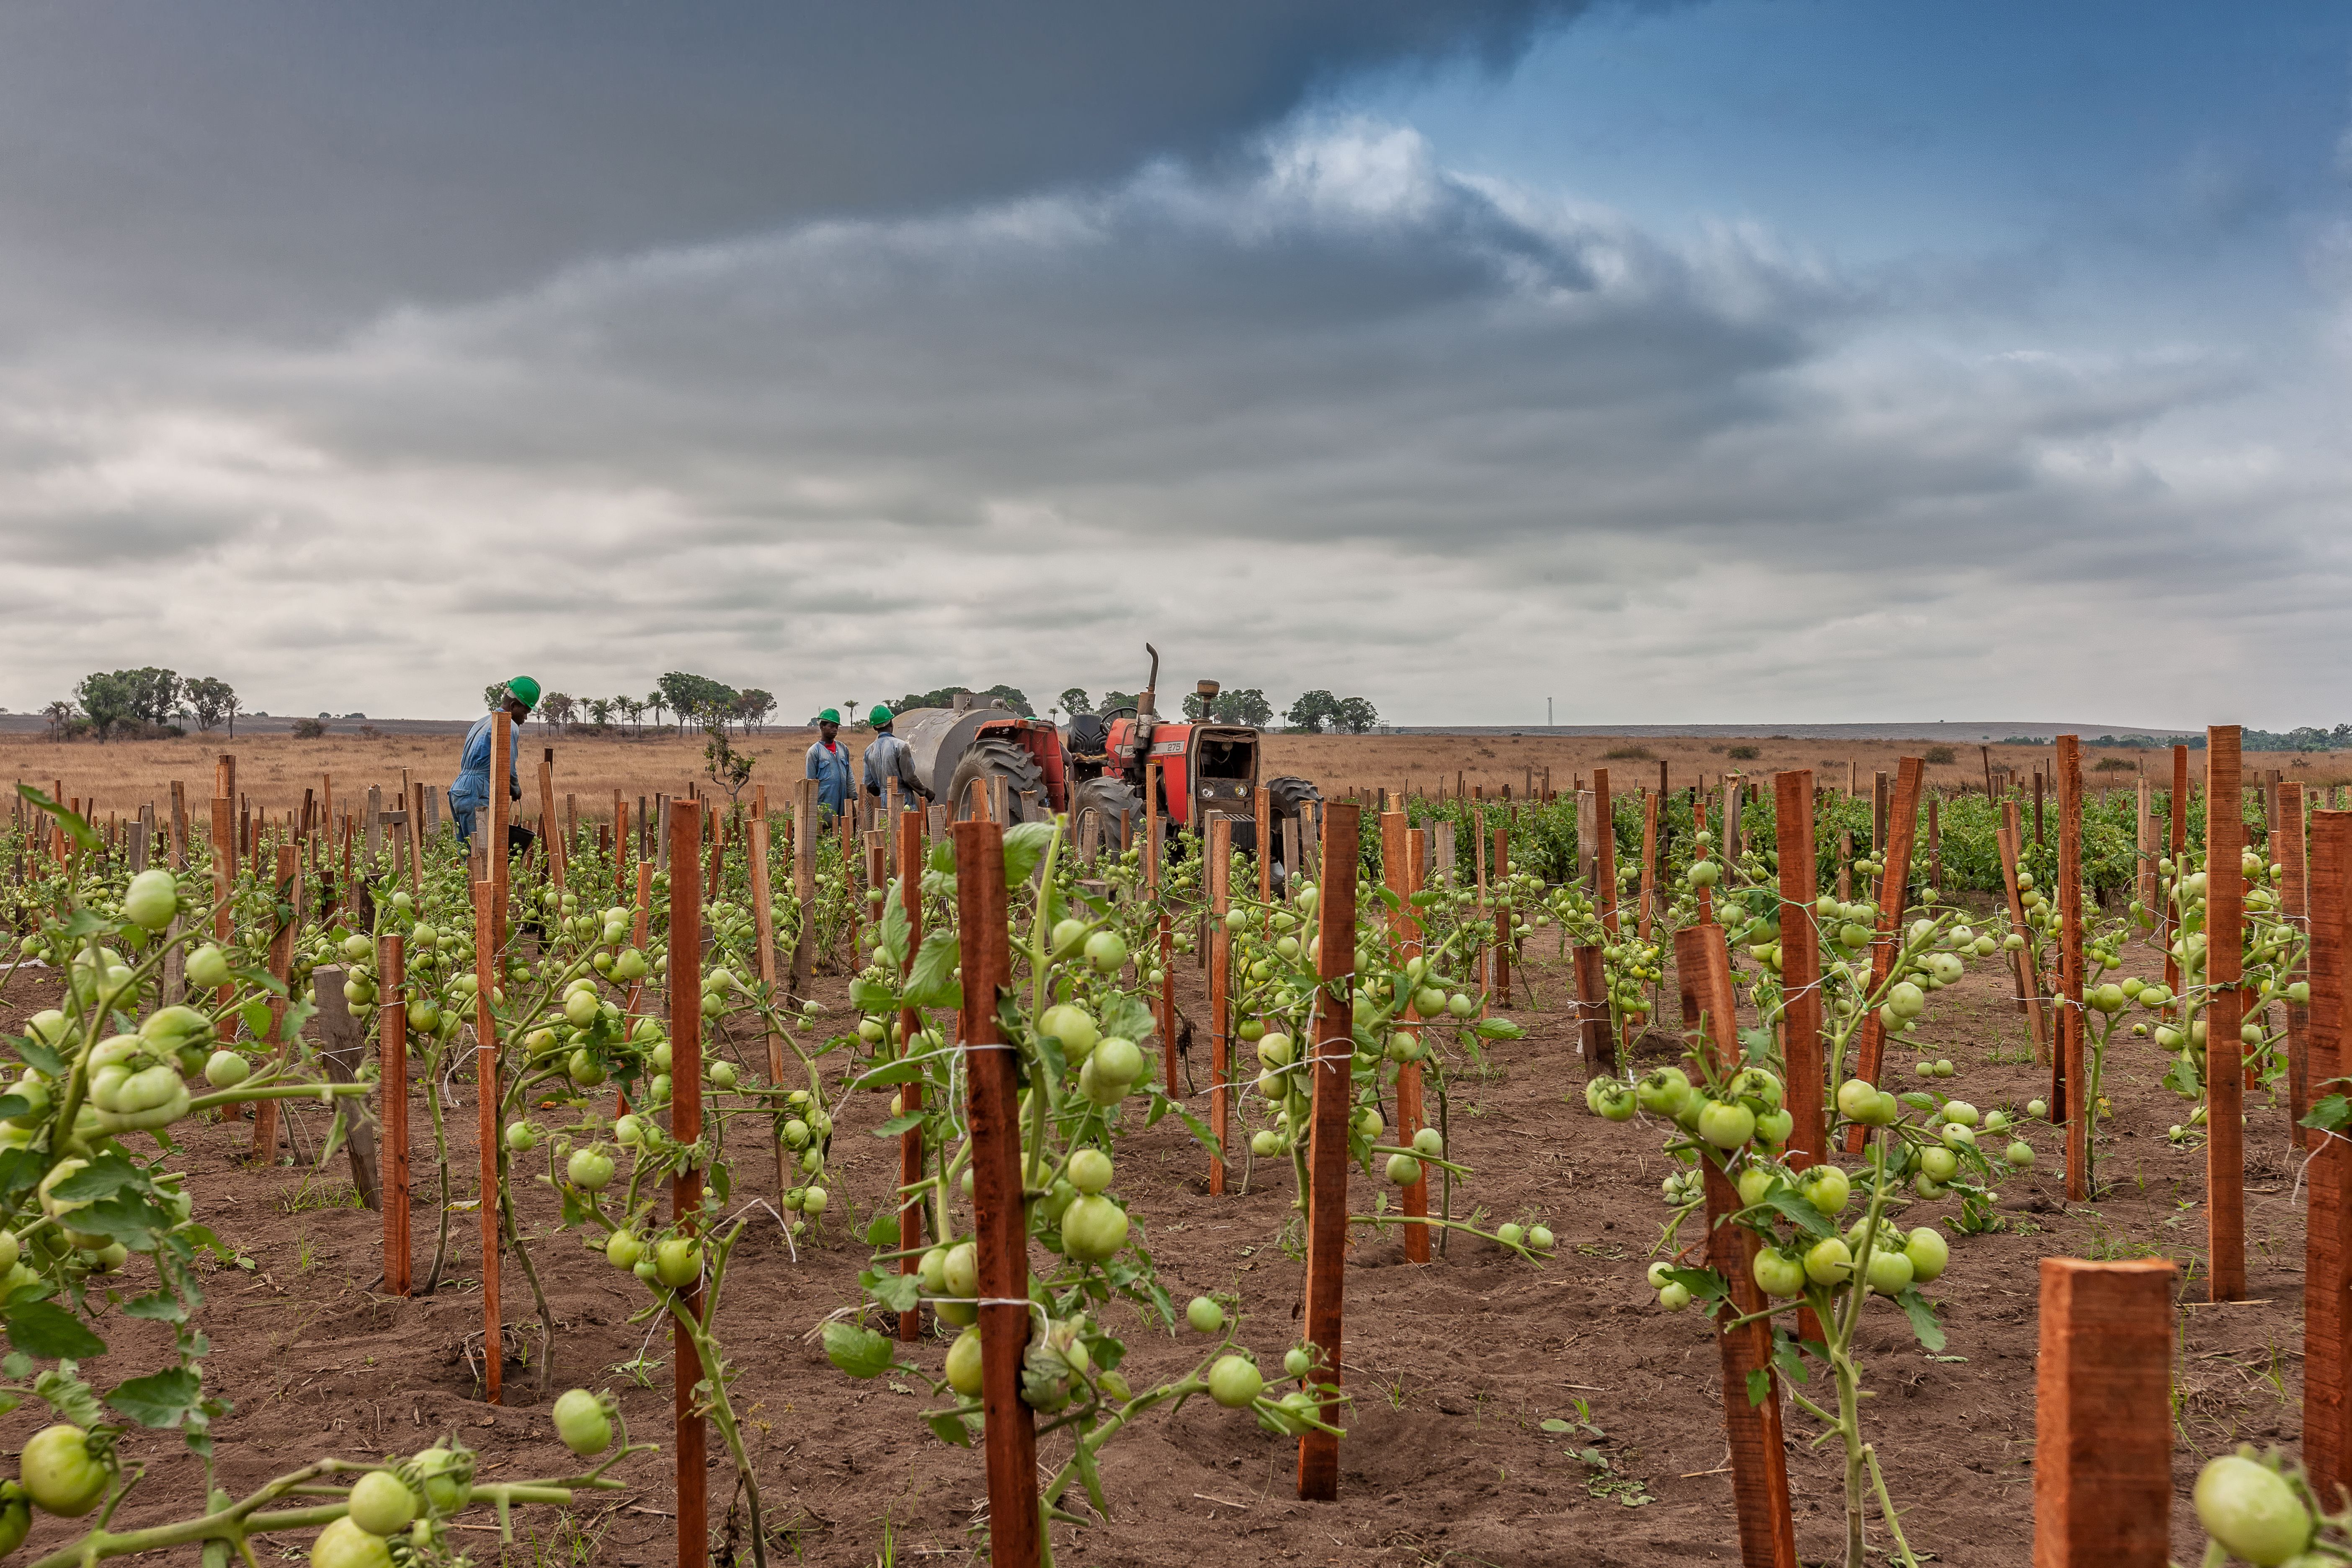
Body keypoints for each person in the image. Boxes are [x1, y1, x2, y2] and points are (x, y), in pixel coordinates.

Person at [451, 678, 540, 866]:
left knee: (467, 853)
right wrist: (515, 788)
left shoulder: (481, 722)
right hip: (477, 790)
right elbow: (508, 766)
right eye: (525, 712)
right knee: (482, 857)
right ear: (514, 705)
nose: (525, 719)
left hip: (459, 790)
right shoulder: (508, 725)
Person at [863, 704, 934, 810]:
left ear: (874, 727)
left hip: (883, 804)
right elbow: (908, 777)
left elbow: (869, 784)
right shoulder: (900, 746)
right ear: (891, 723)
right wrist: (926, 792)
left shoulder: (869, 751)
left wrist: (884, 794)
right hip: (903, 801)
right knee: (907, 825)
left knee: (886, 826)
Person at [805, 708, 854, 820]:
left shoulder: (843, 749)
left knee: (843, 831)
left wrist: (852, 800)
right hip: (825, 802)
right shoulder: (814, 752)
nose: (835, 729)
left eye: (837, 727)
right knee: (825, 831)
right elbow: (810, 782)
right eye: (832, 726)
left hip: (843, 801)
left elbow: (849, 777)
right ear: (822, 727)